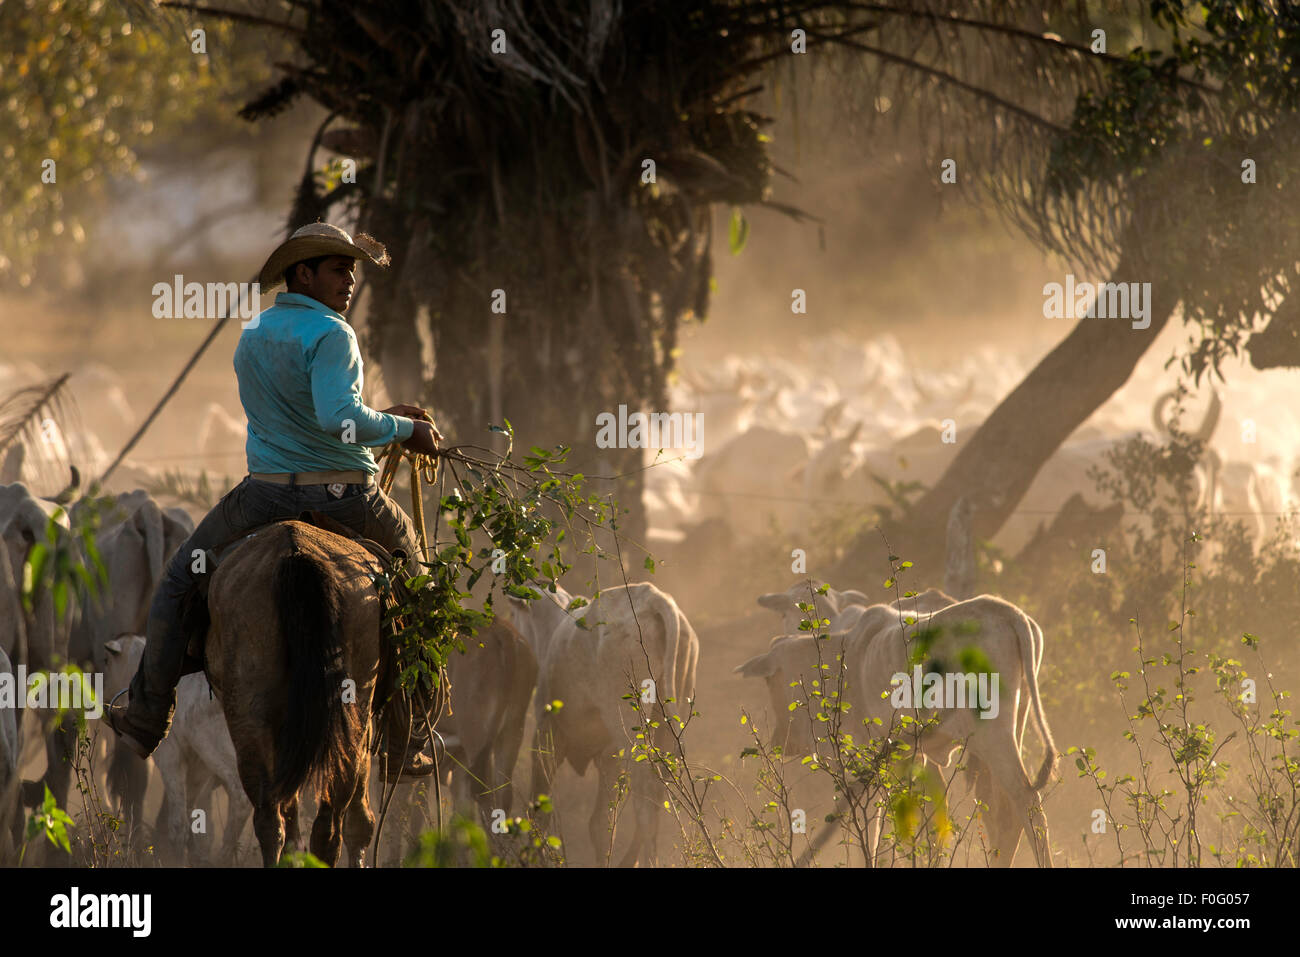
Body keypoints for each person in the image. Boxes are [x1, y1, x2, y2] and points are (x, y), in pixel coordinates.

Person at [106, 222, 442, 777]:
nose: (350, 280)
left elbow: (307, 412)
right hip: (345, 496)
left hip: (263, 496)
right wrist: (405, 431)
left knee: (176, 582)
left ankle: (146, 712)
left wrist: (383, 417)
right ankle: (407, 735)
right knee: (422, 583)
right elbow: (338, 418)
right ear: (303, 273)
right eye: (339, 268)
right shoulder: (335, 334)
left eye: (353, 269)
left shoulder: (256, 332)